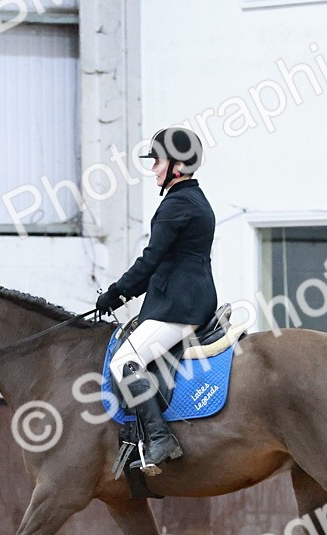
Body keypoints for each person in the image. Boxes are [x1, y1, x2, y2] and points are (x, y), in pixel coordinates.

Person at [96, 127, 217, 475]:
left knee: (125, 362)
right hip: (188, 298)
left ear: (177, 165)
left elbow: (151, 261)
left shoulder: (177, 204)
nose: (153, 169)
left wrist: (115, 293)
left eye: (158, 161)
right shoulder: (194, 199)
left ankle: (159, 437)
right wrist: (123, 295)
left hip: (180, 305)